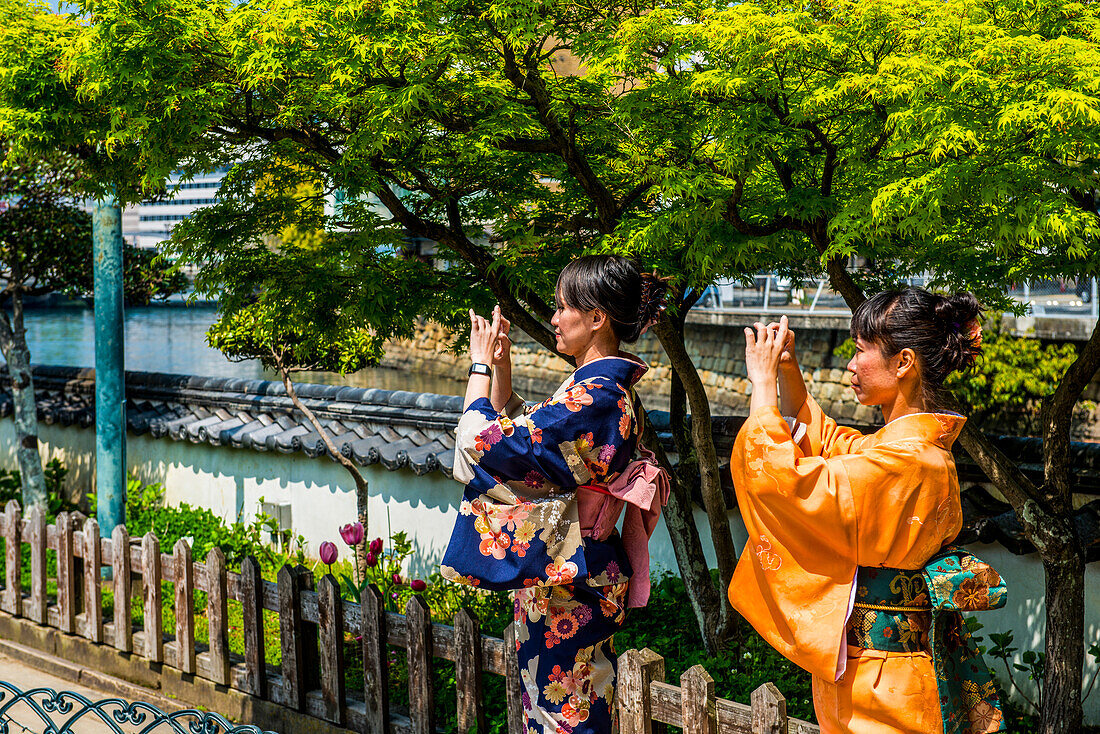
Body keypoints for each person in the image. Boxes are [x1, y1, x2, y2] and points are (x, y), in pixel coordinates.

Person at [730, 289, 1007, 734]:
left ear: (903, 362)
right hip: (873, 671)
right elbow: (833, 446)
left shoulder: (911, 461)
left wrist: (762, 389)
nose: (851, 364)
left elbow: (792, 483)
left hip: (887, 681)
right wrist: (788, 372)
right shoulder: (900, 450)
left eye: (861, 351)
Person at [440, 255, 670, 734]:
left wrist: (480, 366)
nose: (553, 319)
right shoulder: (595, 389)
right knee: (553, 708)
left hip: (577, 575)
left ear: (596, 317)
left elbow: (488, 445)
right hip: (572, 569)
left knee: (566, 715)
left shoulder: (599, 395)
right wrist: (502, 370)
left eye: (562, 307)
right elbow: (530, 438)